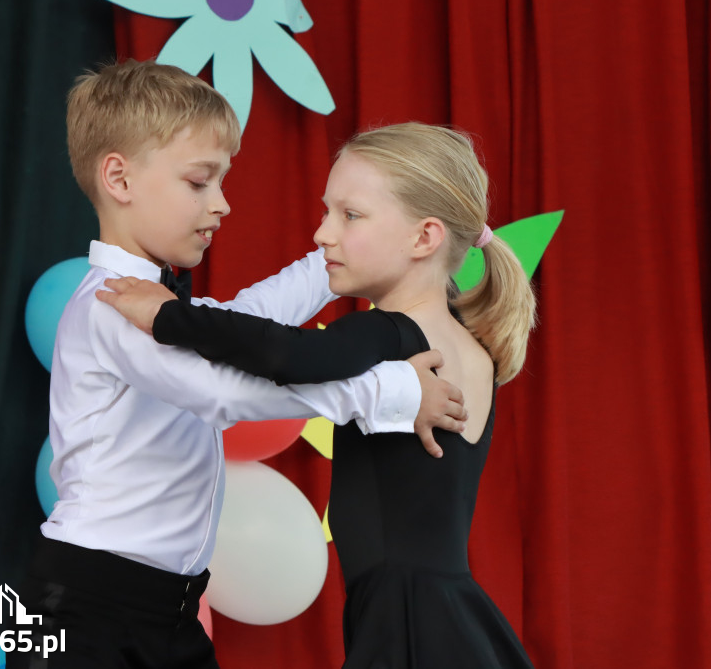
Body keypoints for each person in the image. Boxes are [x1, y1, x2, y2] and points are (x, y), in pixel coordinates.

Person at [9, 62, 468, 669]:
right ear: (118, 178)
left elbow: (248, 317)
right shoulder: (112, 306)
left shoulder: (162, 304)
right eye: (201, 182)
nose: (222, 204)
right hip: (88, 603)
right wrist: (386, 390)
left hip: (167, 607)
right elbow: (223, 391)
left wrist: (344, 251)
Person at [98, 122, 537, 668]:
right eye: (328, 211)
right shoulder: (475, 349)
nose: (323, 234)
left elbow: (289, 357)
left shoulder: (390, 335)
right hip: (452, 611)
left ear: (425, 238)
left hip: (403, 618)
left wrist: (168, 314)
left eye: (349, 215)